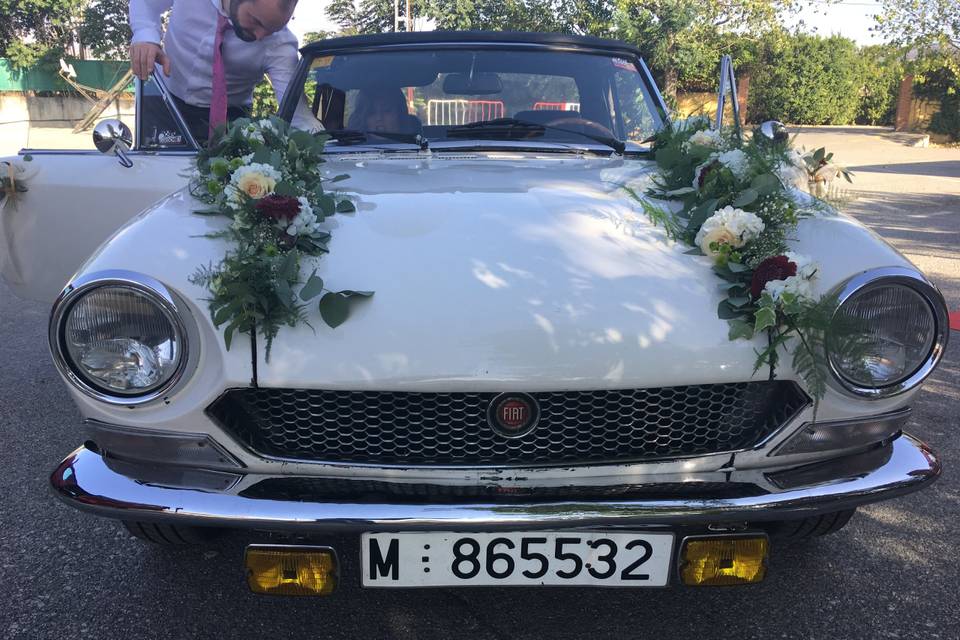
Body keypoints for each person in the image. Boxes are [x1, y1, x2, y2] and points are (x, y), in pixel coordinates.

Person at [129, 0, 301, 144]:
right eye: (256, 21)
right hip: (164, 102)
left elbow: (299, 116)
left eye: (273, 30)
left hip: (232, 122)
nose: (261, 36)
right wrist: (145, 35)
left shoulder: (281, 46)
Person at [347, 87, 421, 135]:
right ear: (363, 119)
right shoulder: (347, 152)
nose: (379, 118)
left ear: (400, 115)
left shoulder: (420, 149)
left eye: (386, 111)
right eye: (371, 113)